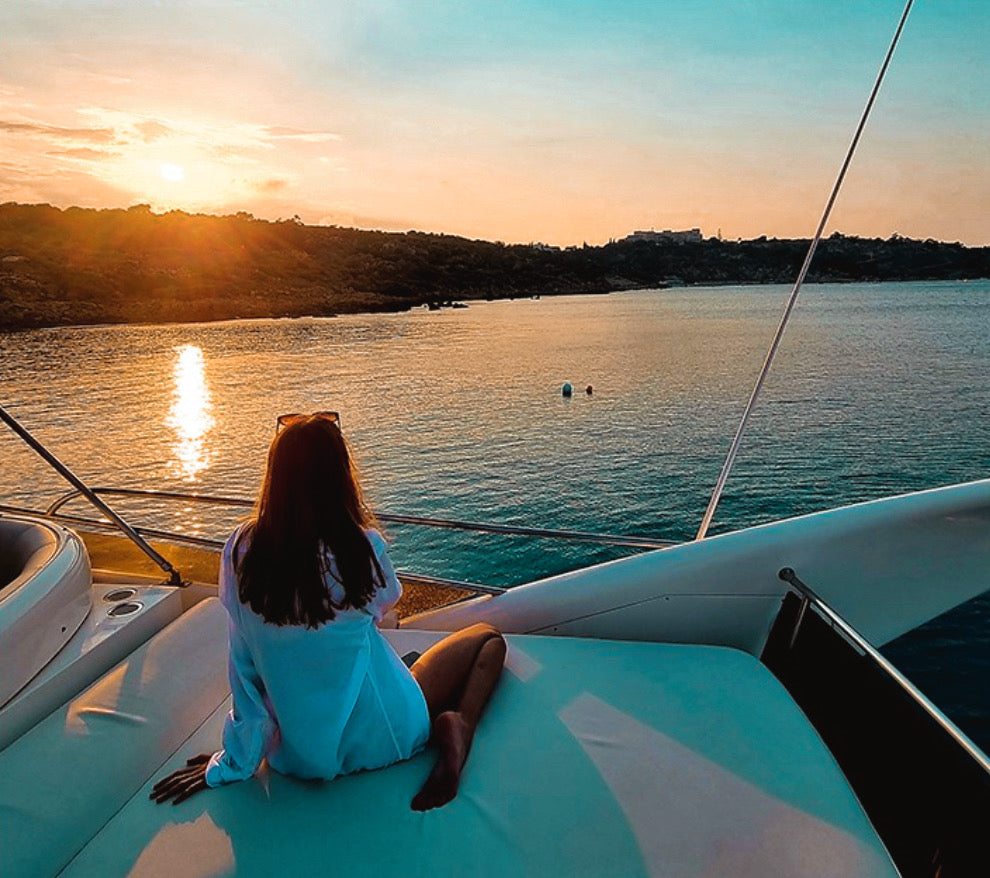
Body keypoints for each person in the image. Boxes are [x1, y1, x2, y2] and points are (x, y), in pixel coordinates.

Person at [151, 412, 505, 812]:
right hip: (388, 736)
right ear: (340, 477)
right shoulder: (362, 549)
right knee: (488, 637)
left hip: (298, 758)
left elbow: (243, 668)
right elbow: (383, 606)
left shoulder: (240, 552)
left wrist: (236, 758)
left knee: (381, 659)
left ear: (276, 477)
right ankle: (460, 725)